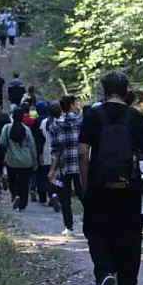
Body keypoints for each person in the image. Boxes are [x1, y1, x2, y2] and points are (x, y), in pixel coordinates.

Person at [78, 72, 143, 285]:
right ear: (125, 90)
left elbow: (82, 151)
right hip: (128, 186)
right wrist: (133, 153)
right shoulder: (135, 116)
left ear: (104, 90)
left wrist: (85, 182)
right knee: (130, 237)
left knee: (96, 232)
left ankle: (103, 274)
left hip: (99, 186)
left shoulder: (93, 115)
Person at [48, 95, 82, 235]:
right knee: (84, 195)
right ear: (72, 105)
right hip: (81, 166)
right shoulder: (82, 122)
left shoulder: (55, 125)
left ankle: (69, 227)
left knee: (64, 196)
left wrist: (52, 170)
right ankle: (93, 223)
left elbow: (55, 151)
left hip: (63, 168)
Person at [1, 107, 39, 211]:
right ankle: (22, 204)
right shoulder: (27, 130)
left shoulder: (7, 128)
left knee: (12, 180)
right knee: (25, 182)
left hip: (11, 160)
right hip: (26, 161)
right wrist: (35, 161)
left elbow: (2, 142)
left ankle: (15, 194)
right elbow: (32, 147)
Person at [37, 103, 61, 210]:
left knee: (48, 175)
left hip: (47, 150)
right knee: (57, 175)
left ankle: (50, 194)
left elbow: (41, 139)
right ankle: (55, 194)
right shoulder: (62, 122)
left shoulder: (44, 122)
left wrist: (40, 153)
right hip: (59, 151)